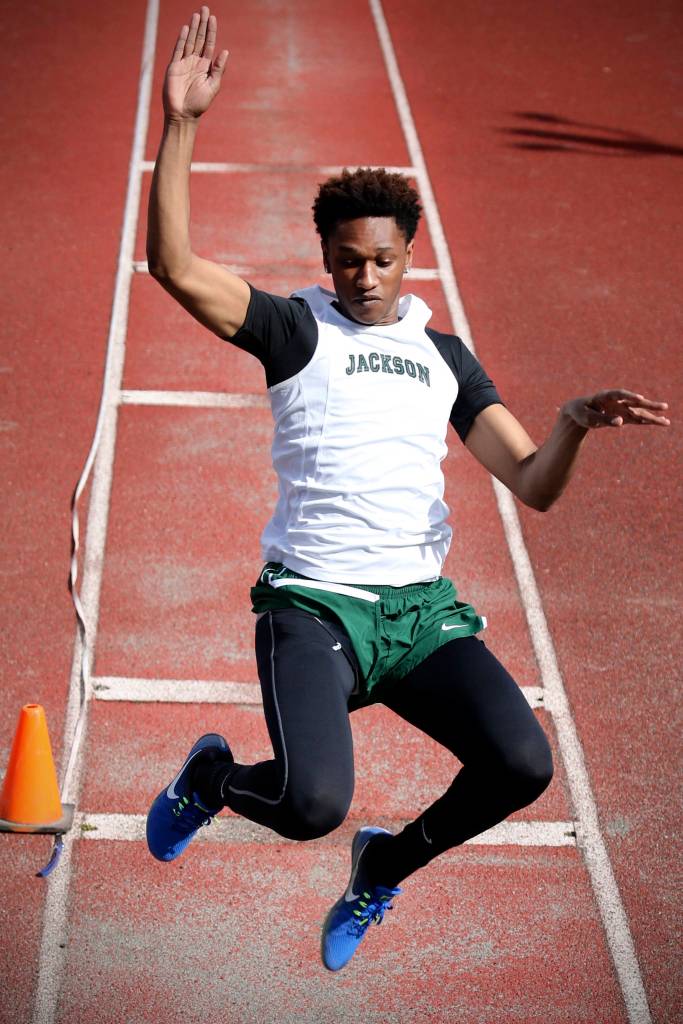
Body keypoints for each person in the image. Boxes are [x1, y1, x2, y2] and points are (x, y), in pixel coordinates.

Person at [144, 7, 670, 972]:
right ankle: (215, 780)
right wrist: (181, 125)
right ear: (326, 258)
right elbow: (173, 268)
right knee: (308, 807)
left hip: (419, 615)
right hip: (313, 610)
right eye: (348, 260)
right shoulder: (293, 330)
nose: (365, 277)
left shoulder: (442, 356)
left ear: (409, 254)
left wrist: (571, 425)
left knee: (522, 763)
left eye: (383, 259)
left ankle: (386, 863)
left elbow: (529, 482)